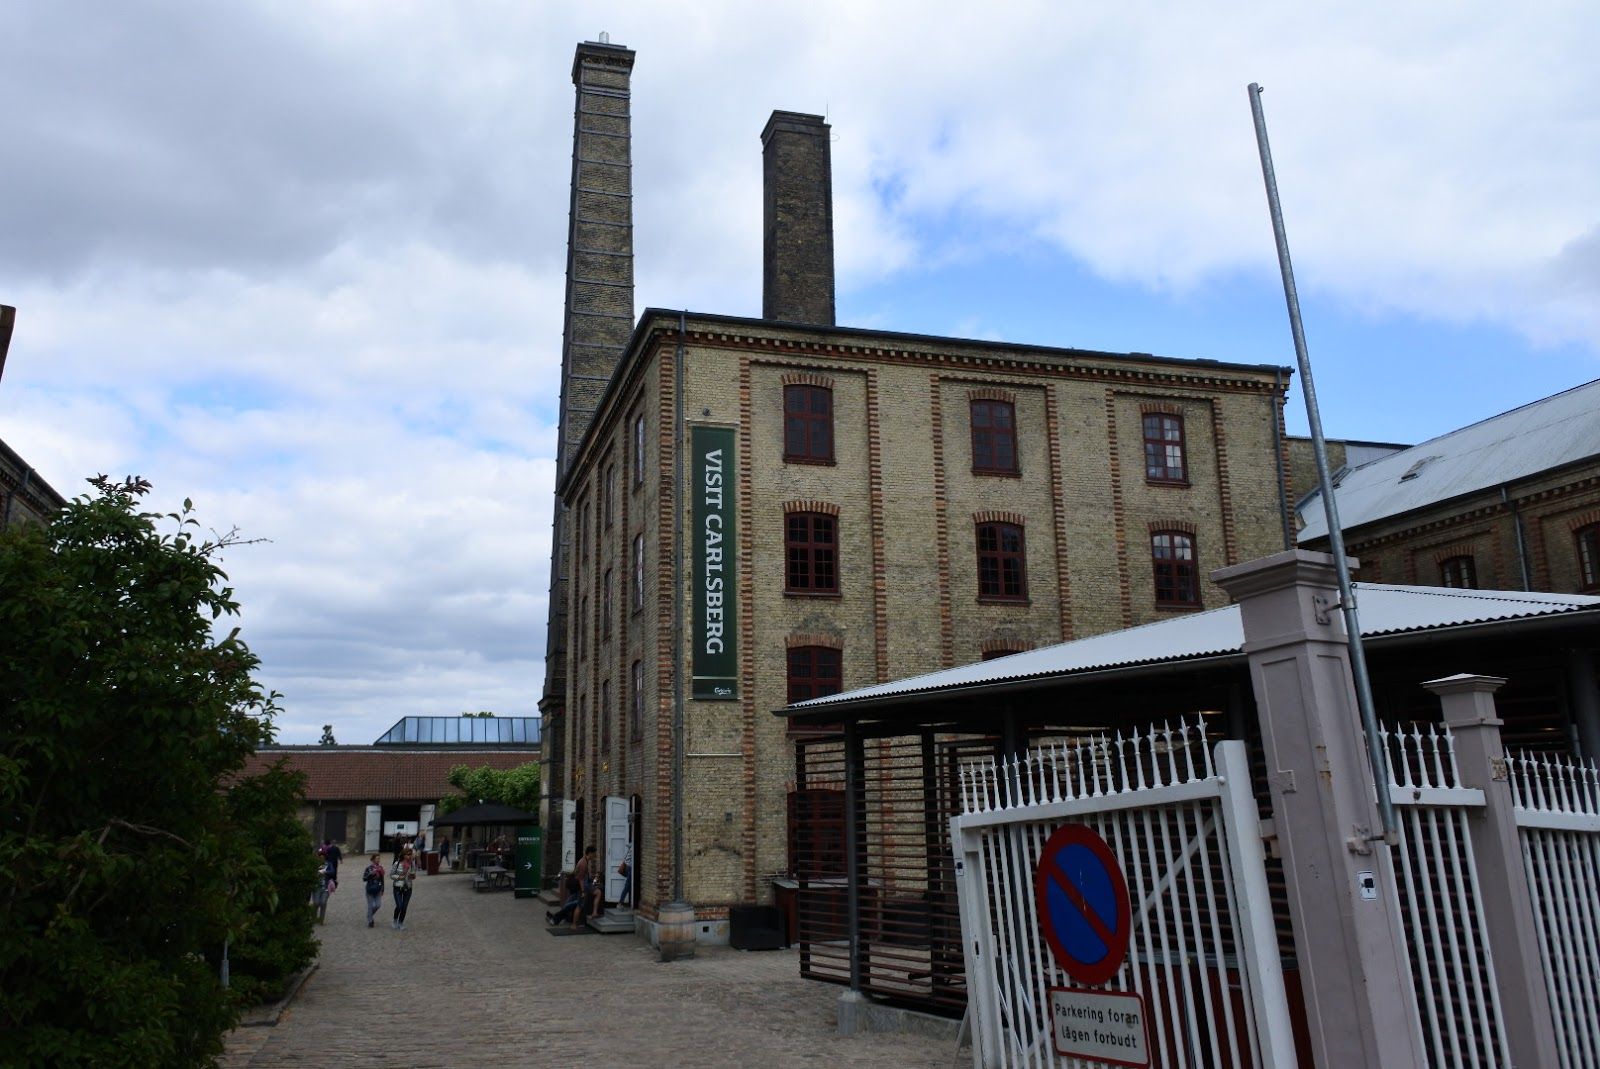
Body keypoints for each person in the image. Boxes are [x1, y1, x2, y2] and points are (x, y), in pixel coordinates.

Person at [390, 846, 418, 930]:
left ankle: (401, 922)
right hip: (398, 887)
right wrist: (399, 877)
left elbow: (413, 875)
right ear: (403, 855)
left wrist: (412, 875)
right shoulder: (397, 864)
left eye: (410, 854)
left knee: (404, 907)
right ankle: (395, 920)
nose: (409, 856)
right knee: (399, 906)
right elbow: (391, 875)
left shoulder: (412, 864)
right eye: (408, 854)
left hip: (408, 887)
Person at [362, 854, 386, 928]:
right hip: (370, 889)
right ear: (372, 860)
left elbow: (382, 880)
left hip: (378, 889)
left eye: (379, 859)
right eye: (376, 859)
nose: (378, 860)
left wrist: (382, 889)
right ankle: (370, 921)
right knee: (371, 906)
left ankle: (369, 915)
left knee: (378, 905)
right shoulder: (368, 868)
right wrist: (371, 874)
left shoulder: (380, 868)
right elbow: (364, 878)